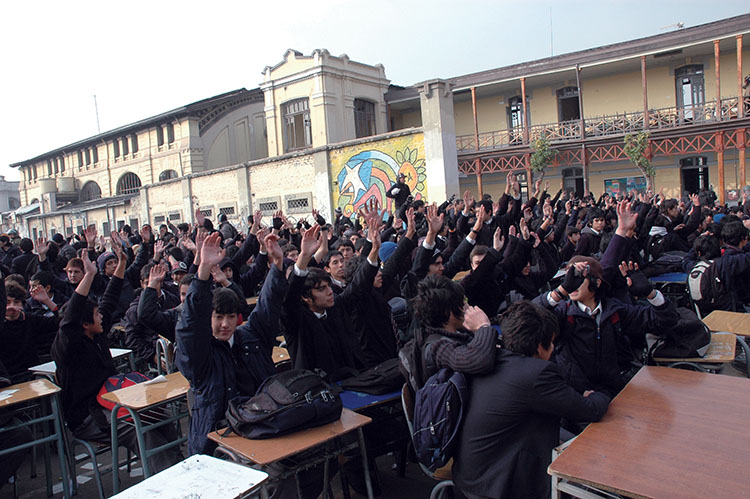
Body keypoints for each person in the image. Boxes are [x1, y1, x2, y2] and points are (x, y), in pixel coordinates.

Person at [52, 233, 182, 473]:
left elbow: (109, 300)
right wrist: (90, 274)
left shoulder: (96, 333)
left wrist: (121, 264)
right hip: (90, 415)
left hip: (116, 399)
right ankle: (169, 479)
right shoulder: (68, 346)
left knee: (158, 415)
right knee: (139, 428)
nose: (102, 317)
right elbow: (70, 318)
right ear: (84, 324)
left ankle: (180, 467)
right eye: (96, 316)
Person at [454, 301, 611, 499]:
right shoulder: (536, 374)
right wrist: (598, 394)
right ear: (539, 346)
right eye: (552, 342)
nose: (553, 349)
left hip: (471, 474)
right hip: (499, 485)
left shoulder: (492, 358)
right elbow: (590, 410)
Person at [175, 231, 288, 455]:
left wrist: (277, 264)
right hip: (218, 441)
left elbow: (267, 305)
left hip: (263, 426)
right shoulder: (201, 354)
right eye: (218, 317)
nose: (225, 324)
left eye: (230, 317)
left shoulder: (251, 336)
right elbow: (190, 327)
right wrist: (203, 273)